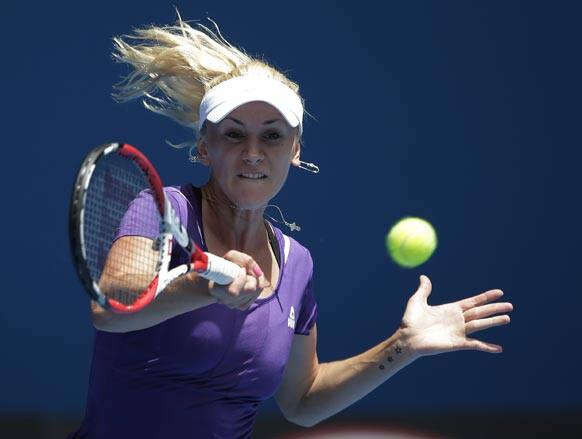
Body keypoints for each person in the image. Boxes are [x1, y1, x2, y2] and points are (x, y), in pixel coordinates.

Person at [68, 14, 513, 439]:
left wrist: (404, 345)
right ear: (205, 147)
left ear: (295, 150)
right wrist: (200, 289)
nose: (254, 152)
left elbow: (302, 400)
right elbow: (109, 309)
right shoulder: (164, 210)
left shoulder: (297, 263)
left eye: (273, 135)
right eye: (234, 134)